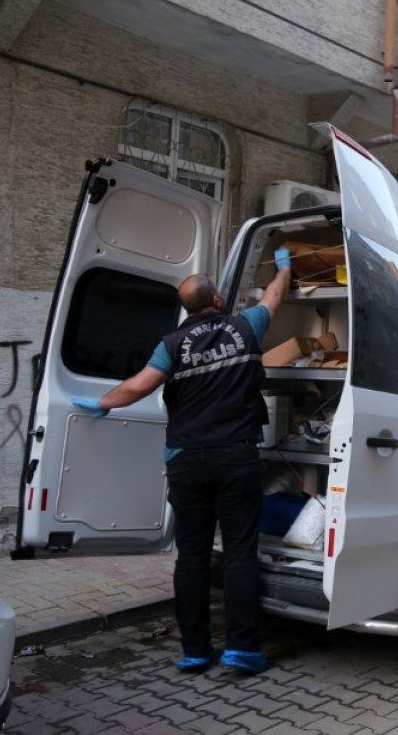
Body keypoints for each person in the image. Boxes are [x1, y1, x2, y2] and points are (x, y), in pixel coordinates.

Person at [70, 248, 292, 673]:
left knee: (191, 556)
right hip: (235, 455)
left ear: (186, 309)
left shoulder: (171, 345)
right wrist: (284, 268)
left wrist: (102, 403)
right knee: (239, 552)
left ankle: (195, 649)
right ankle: (242, 648)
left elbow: (138, 386)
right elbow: (274, 298)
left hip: (187, 461)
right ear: (218, 301)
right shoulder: (245, 326)